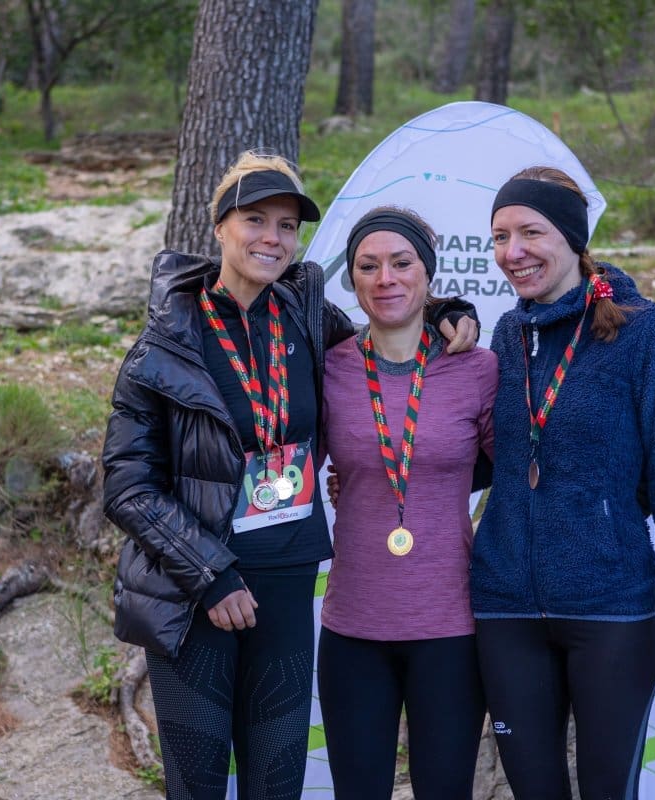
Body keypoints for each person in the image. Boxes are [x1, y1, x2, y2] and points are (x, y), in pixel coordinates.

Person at [101, 151, 478, 800]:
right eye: (255, 220)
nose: (272, 238)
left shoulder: (306, 316)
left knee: (277, 785)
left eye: (286, 225)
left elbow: (387, 332)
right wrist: (212, 575)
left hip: (286, 585)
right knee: (197, 787)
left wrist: (447, 308)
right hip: (195, 596)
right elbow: (127, 484)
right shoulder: (166, 341)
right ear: (219, 226)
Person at [469, 166, 655, 799]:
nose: (513, 252)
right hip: (506, 608)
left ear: (572, 238)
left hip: (610, 608)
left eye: (530, 232)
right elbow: (493, 454)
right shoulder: (507, 333)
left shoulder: (642, 331)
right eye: (500, 237)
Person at [317, 207, 496, 799]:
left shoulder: (477, 368)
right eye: (368, 266)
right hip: (354, 625)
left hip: (450, 625)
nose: (385, 278)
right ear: (352, 278)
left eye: (401, 263)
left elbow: (517, 473)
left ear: (428, 273)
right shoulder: (328, 368)